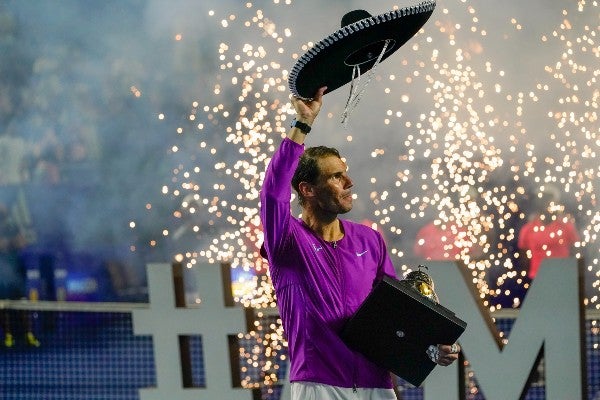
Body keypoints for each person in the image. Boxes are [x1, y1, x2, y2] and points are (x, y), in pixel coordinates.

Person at [259, 87, 460, 400]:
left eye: (346, 174)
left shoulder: (370, 239)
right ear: (307, 190)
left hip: (377, 386)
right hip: (319, 386)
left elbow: (397, 312)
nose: (349, 183)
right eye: (337, 177)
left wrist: (430, 347)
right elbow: (273, 194)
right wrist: (302, 125)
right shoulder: (287, 242)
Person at [517, 191, 579, 280]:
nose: (546, 205)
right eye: (543, 201)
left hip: (563, 276)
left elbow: (576, 250)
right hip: (537, 278)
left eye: (549, 201)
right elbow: (523, 256)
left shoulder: (566, 226)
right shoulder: (528, 229)